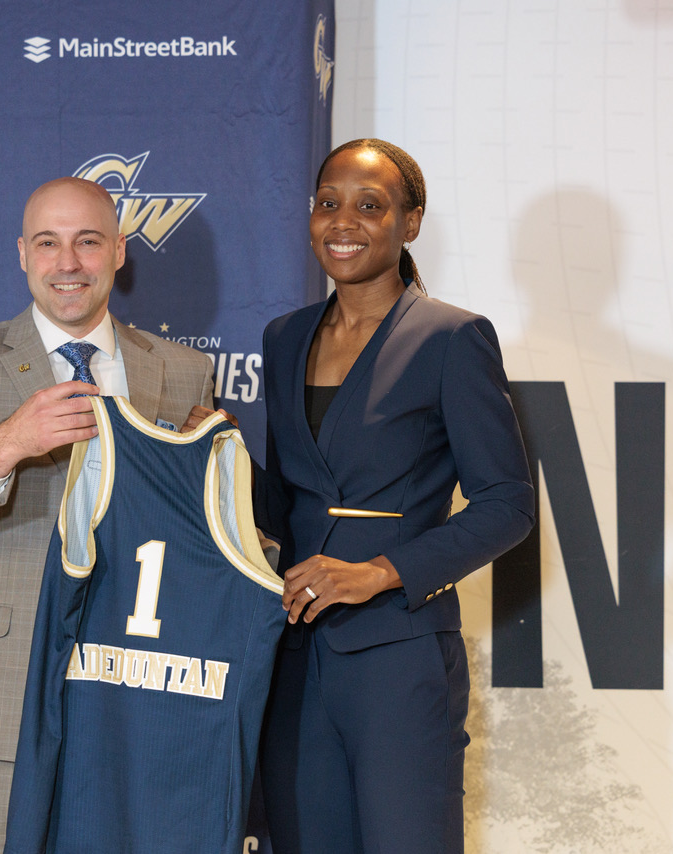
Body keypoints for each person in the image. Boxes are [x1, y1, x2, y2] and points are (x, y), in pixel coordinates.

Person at [0, 177, 215, 854]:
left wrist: (217, 481)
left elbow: (200, 535)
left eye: (88, 242)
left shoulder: (182, 372)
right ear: (23, 255)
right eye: (48, 243)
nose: (68, 264)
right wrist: (7, 445)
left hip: (135, 699)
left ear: (119, 251)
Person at [255, 139, 535, 853]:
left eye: (370, 206)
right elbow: (290, 498)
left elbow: (507, 504)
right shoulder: (285, 338)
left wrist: (377, 572)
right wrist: (216, 452)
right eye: (328, 204)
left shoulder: (451, 338)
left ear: (410, 223)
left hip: (398, 652)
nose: (343, 222)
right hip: (290, 653)